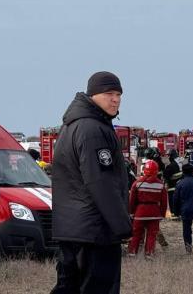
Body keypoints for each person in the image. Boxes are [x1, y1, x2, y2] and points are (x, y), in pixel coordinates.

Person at [50, 71, 133, 294]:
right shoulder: (92, 130)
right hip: (95, 232)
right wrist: (122, 225)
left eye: (119, 94)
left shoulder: (72, 126)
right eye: (109, 94)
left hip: (72, 229)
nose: (115, 99)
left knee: (69, 288)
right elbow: (100, 182)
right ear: (93, 95)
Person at [127, 160, 167, 258]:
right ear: (156, 171)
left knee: (136, 234)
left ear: (145, 170)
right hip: (154, 213)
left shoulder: (137, 183)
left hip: (140, 212)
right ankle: (149, 254)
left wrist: (131, 212)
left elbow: (132, 200)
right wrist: (162, 214)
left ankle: (132, 253)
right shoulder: (161, 185)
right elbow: (164, 202)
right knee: (152, 235)